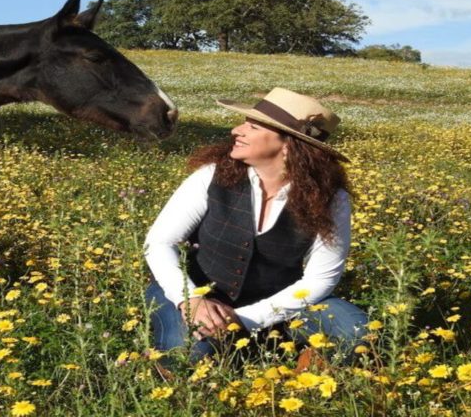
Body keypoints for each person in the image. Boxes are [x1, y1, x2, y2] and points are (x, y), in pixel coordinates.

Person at [143, 87, 367, 364]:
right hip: (191, 294)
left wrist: (247, 319)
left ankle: (305, 384)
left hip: (278, 305)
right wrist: (189, 300)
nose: (237, 130)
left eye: (252, 126)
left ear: (289, 145)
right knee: (187, 356)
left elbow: (321, 278)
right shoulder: (211, 176)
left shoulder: (332, 199)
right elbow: (160, 243)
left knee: (356, 332)